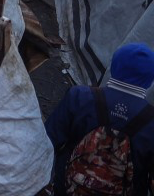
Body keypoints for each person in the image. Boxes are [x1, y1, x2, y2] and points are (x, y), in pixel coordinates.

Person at [46, 43, 154, 196]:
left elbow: (47, 141)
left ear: (115, 66)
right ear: (150, 79)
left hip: (65, 189)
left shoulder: (79, 97)